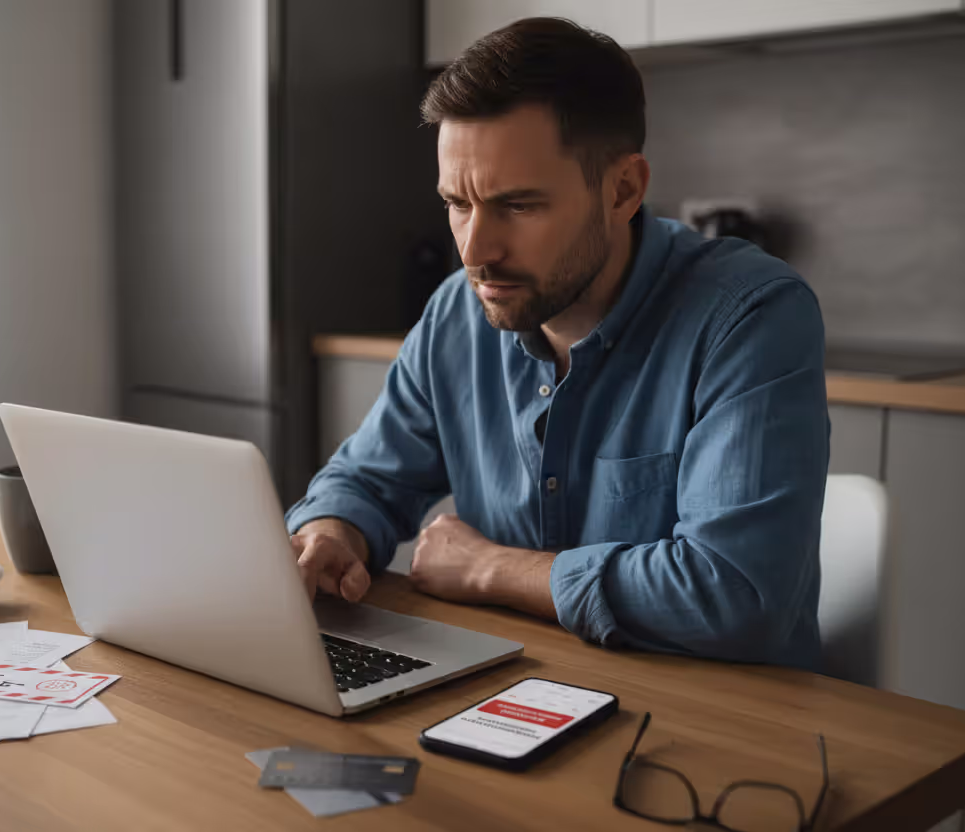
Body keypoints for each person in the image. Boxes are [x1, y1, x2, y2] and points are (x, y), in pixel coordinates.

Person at [285, 17, 829, 669]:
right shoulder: (458, 313)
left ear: (623, 190)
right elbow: (368, 480)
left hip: (724, 726)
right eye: (459, 203)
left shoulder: (748, 316)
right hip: (520, 692)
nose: (475, 250)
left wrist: (492, 569)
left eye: (518, 206)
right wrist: (330, 533)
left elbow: (737, 597)